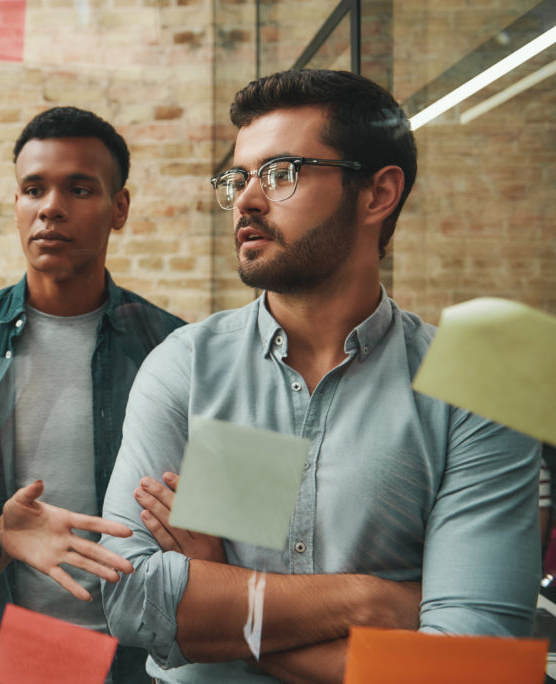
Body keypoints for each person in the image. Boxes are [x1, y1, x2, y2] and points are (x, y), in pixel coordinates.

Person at [100, 69, 541, 683]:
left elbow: (470, 665)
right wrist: (372, 602)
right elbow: (129, 598)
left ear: (378, 194)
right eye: (239, 179)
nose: (248, 201)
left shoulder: (473, 391)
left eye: (281, 173)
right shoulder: (188, 366)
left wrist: (222, 611)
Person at [0, 106, 185, 683]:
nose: (50, 207)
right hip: (1, 652)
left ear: (120, 209)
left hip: (138, 656)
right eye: (32, 189)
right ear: (15, 204)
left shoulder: (171, 348)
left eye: (79, 188)